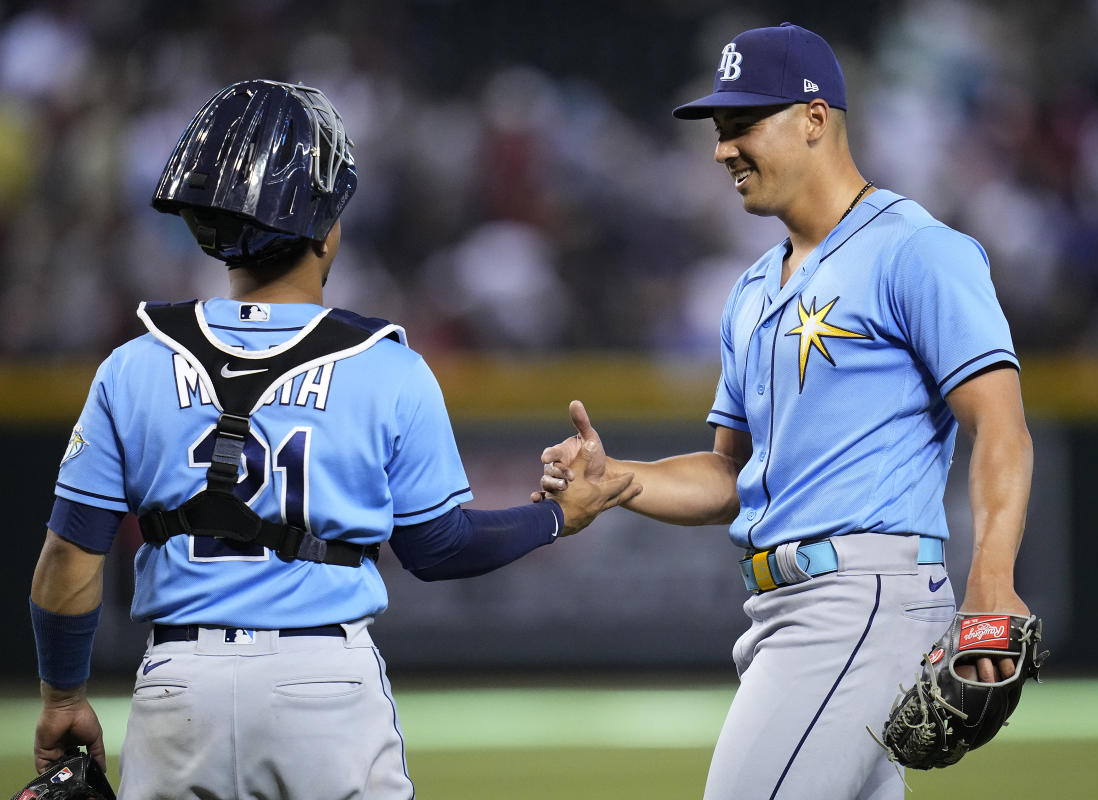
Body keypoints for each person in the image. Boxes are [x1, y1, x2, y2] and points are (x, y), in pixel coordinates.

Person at [29, 79, 638, 800]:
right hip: (322, 685)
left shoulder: (134, 364)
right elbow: (437, 549)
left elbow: (70, 557)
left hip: (176, 691)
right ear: (327, 229)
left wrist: (63, 698)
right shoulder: (385, 366)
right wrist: (557, 517)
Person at [537, 23, 1034, 800]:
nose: (721, 148)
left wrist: (993, 582)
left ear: (814, 117)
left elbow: (1000, 425)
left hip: (861, 601)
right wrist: (622, 479)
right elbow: (731, 475)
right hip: (785, 607)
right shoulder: (752, 290)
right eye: (718, 128)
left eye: (743, 123)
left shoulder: (915, 250)